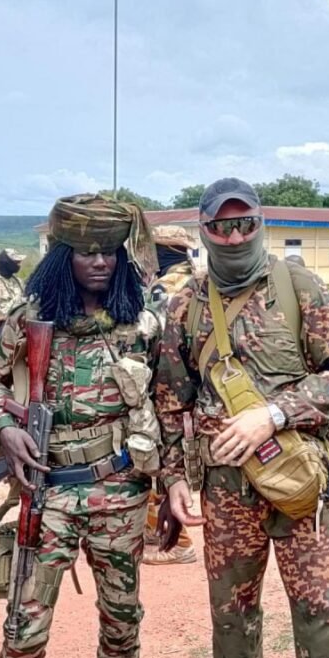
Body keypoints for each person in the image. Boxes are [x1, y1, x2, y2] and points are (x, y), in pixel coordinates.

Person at [154, 177, 329, 658]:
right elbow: (170, 400)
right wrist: (174, 479)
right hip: (226, 489)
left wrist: (273, 414)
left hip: (303, 482)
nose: (234, 235)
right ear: (204, 230)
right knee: (232, 610)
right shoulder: (186, 305)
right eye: (221, 226)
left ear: (261, 223)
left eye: (244, 223)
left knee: (328, 612)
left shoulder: (302, 288)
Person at [0, 194, 160, 658]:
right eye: (85, 253)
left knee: (122, 608)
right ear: (63, 259)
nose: (99, 262)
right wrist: (2, 429)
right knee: (27, 614)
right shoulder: (30, 318)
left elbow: (167, 398)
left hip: (119, 486)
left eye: (108, 252)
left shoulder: (141, 321)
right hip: (48, 486)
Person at [142, 224, 197, 566]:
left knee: (160, 461)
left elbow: (152, 339)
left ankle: (180, 542)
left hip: (165, 389)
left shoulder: (165, 289)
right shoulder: (202, 284)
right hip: (193, 392)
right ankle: (155, 528)